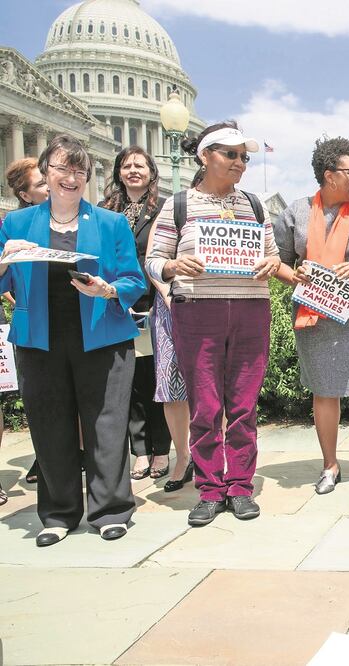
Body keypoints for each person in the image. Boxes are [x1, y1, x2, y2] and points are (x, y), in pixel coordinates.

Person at [0, 134, 145, 546]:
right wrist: (6, 259)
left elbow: (134, 280)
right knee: (49, 425)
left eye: (80, 170)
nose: (72, 177)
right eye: (63, 168)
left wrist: (107, 289)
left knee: (106, 424)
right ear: (45, 172)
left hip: (102, 337)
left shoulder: (110, 222)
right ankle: (59, 514)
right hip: (39, 341)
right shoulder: (16, 224)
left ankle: (111, 509)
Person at [146, 121, 281, 526]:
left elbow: (272, 256)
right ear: (206, 156)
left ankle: (240, 485)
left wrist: (272, 263)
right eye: (231, 154)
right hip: (196, 311)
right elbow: (153, 258)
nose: (240, 162)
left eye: (244, 156)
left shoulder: (255, 205)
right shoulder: (179, 204)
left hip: (248, 311)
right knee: (205, 405)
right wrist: (171, 265)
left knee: (243, 404)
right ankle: (209, 488)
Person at [273, 136, 349, 496]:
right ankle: (330, 465)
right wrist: (292, 275)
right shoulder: (294, 212)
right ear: (330, 175)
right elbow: (277, 259)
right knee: (323, 391)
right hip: (315, 314)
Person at [99, 147, 177, 483]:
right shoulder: (103, 212)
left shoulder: (164, 209)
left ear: (151, 172)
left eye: (140, 165)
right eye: (126, 166)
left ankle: (161, 448)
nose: (133, 170)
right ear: (117, 172)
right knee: (124, 382)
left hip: (149, 304)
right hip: (113, 304)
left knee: (153, 379)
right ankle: (139, 451)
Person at [3, 157, 49, 488]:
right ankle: (47, 459)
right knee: (42, 401)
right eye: (41, 183)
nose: (52, 186)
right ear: (23, 194)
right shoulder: (12, 226)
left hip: (72, 326)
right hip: (33, 328)